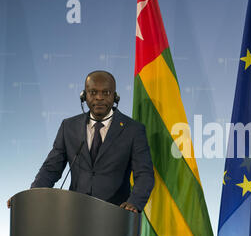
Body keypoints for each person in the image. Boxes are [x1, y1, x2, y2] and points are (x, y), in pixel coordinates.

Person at [7, 70, 154, 213]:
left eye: (106, 93)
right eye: (93, 92)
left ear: (115, 97)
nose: (99, 98)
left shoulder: (133, 130)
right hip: (74, 215)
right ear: (84, 96)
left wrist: (134, 202)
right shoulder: (68, 126)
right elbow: (51, 169)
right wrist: (31, 197)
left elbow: (144, 174)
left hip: (115, 216)